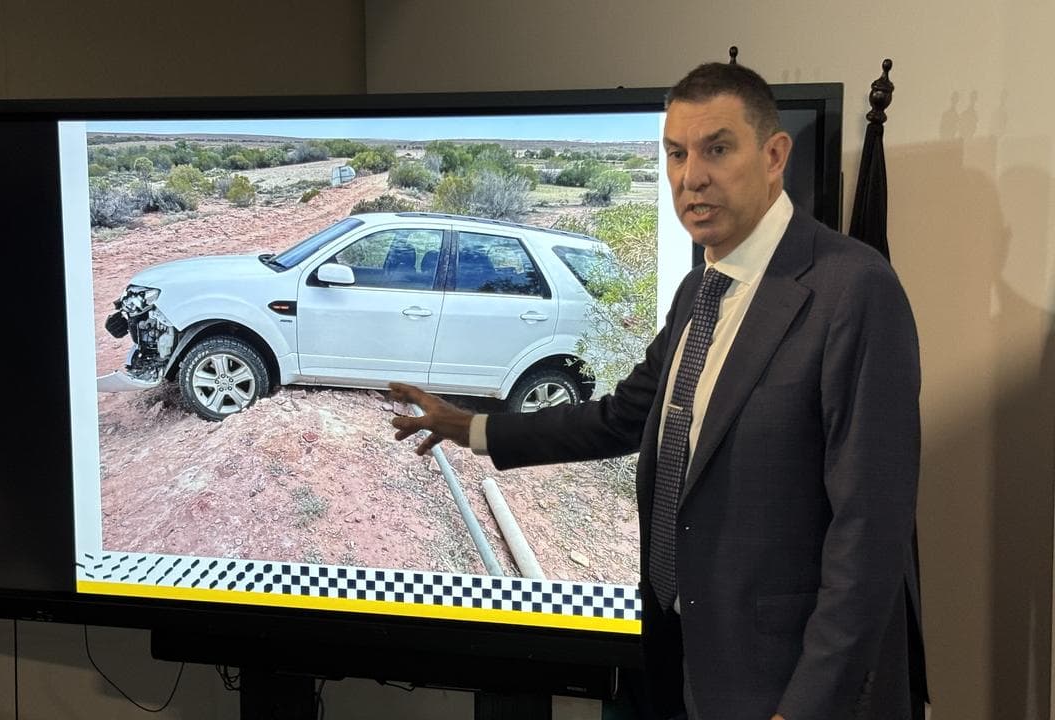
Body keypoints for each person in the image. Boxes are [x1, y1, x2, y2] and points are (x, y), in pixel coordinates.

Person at [389, 62, 928, 720]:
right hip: (673, 663)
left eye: (717, 149)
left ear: (774, 155)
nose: (690, 177)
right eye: (676, 153)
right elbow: (624, 416)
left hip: (776, 688)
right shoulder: (699, 288)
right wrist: (473, 428)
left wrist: (805, 709)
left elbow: (870, 535)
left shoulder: (852, 290)